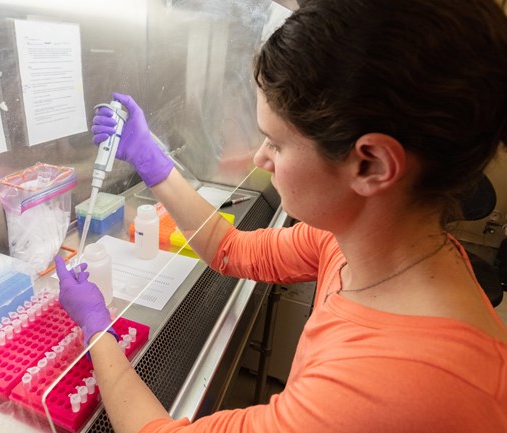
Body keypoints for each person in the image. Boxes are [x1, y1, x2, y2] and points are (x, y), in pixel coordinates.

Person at [54, 0, 507, 431]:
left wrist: (97, 330)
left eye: (277, 142)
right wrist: (153, 162)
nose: (260, 157)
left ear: (371, 164)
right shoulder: (364, 244)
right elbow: (231, 250)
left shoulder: (394, 385)